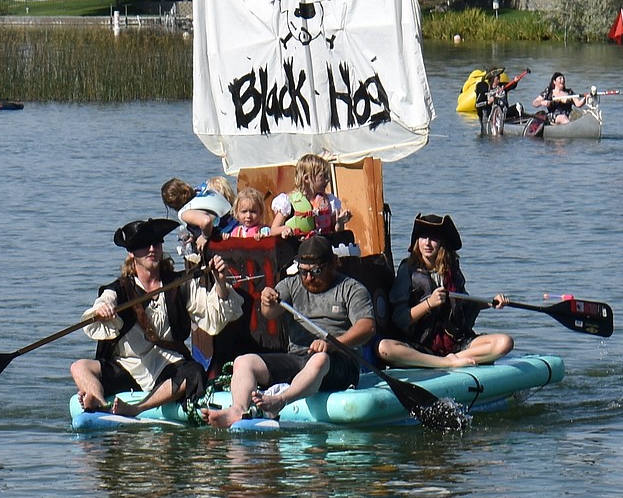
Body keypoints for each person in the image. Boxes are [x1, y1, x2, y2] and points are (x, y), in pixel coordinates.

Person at [70, 218, 243, 416]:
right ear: (132, 253)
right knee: (80, 366)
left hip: (168, 366)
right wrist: (103, 310)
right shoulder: (119, 288)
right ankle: (99, 404)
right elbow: (106, 300)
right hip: (128, 365)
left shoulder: (180, 283)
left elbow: (214, 315)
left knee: (195, 372)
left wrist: (220, 283)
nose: (152, 249)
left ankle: (137, 409)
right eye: (144, 245)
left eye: (157, 243)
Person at [206, 234, 375, 427]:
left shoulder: (351, 288)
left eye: (316, 271)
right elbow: (271, 313)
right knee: (243, 361)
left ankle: (280, 401)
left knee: (319, 359)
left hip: (339, 361)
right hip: (298, 357)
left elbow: (367, 326)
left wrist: (332, 344)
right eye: (303, 272)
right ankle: (238, 409)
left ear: (333, 264)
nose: (309, 278)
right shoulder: (291, 284)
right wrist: (267, 301)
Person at [377, 214, 512, 370]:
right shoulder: (407, 270)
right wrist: (429, 303)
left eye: (433, 238)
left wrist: (491, 302)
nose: (427, 243)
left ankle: (453, 359)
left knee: (505, 342)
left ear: (442, 242)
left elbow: (465, 303)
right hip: (420, 345)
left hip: (457, 343)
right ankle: (445, 363)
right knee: (384, 348)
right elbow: (400, 319)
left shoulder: (452, 269)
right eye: (423, 237)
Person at [270, 153, 352, 236]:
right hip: (298, 246)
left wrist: (340, 223)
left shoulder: (330, 201)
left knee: (347, 236)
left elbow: (336, 234)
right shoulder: (287, 202)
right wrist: (284, 229)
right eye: (322, 176)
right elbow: (272, 230)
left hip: (324, 245)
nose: (327, 180)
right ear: (306, 178)